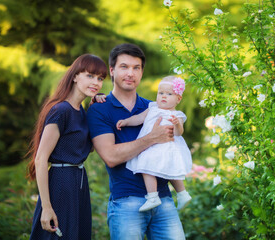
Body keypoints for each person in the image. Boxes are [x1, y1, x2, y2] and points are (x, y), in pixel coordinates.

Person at [87, 43, 186, 240]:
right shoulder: (100, 109)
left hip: (163, 200)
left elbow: (173, 144)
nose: (130, 73)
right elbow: (111, 157)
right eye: (124, 67)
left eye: (136, 68)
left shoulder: (154, 106)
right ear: (112, 71)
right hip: (126, 203)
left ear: (141, 73)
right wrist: (152, 138)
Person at [26, 54, 107, 240]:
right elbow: (40, 159)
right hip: (61, 183)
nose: (96, 82)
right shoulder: (61, 111)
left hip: (79, 182)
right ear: (75, 76)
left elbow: (87, 147)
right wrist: (47, 208)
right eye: (90, 76)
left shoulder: (82, 112)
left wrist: (97, 108)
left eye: (100, 78)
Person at [116, 76, 192, 212]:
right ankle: (180, 194)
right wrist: (126, 121)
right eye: (160, 93)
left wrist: (177, 124)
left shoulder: (176, 115)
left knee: (149, 165)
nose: (163, 96)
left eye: (169, 94)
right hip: (153, 144)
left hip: (167, 146)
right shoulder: (152, 108)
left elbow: (179, 133)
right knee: (156, 168)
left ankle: (158, 196)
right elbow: (139, 118)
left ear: (178, 99)